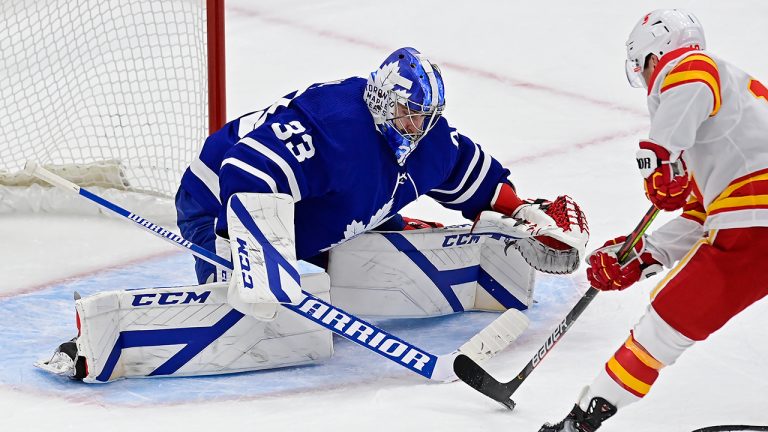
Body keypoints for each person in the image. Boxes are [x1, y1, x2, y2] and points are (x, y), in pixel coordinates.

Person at [175, 46, 589, 292]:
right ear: (379, 98)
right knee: (246, 302)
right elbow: (246, 170)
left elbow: (470, 172)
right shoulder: (332, 126)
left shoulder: (429, 139)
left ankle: (377, 227)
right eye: (405, 112)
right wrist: (250, 256)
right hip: (216, 204)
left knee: (386, 250)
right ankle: (234, 266)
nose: (415, 126)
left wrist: (524, 212)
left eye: (424, 116)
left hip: (320, 203)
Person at [540, 9, 768, 431]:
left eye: (643, 68)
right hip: (752, 222)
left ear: (653, 55)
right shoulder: (731, 130)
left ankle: (582, 421)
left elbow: (689, 78)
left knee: (669, 318)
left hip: (757, 230)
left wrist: (661, 155)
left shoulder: (691, 67)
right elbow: (706, 215)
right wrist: (643, 254)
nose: (647, 82)